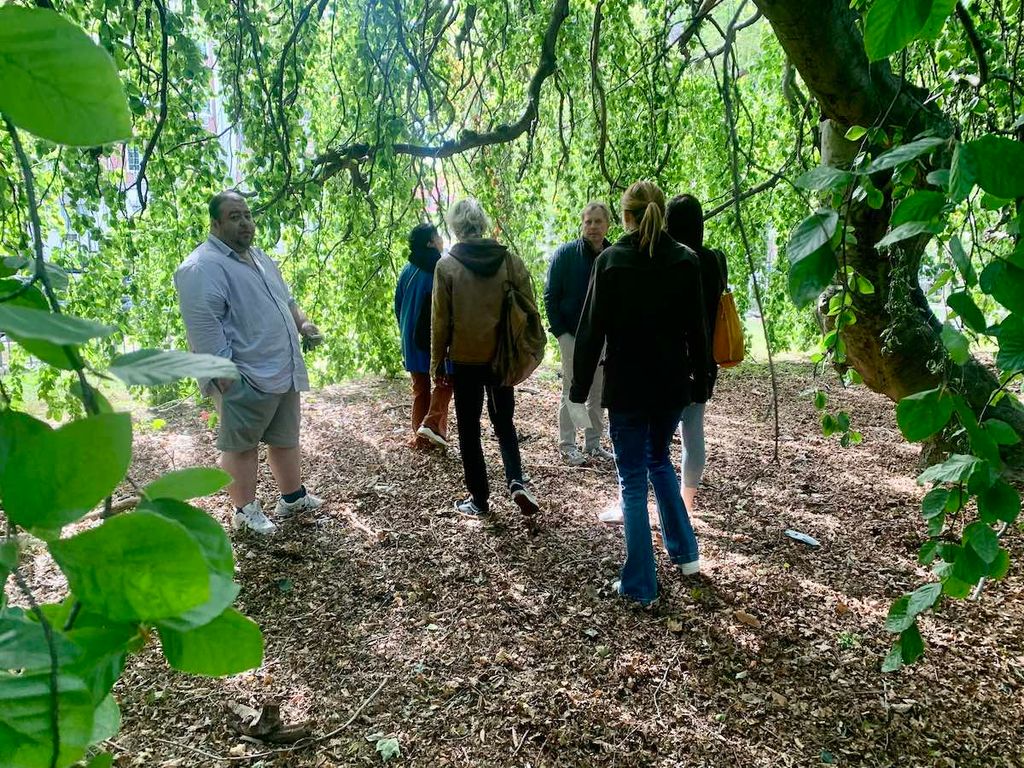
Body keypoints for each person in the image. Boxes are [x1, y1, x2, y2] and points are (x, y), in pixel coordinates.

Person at [571, 180, 709, 604]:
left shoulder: (610, 262)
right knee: (659, 461)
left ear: (625, 217)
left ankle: (640, 584)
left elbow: (591, 331)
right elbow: (698, 332)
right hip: (670, 386)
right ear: (660, 213)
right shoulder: (685, 261)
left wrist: (578, 390)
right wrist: (702, 381)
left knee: (632, 481)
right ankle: (686, 554)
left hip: (628, 387)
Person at [175, 190, 324, 535]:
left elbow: (286, 299)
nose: (245, 223)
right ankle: (244, 511)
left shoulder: (259, 257)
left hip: (282, 368)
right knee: (241, 445)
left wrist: (303, 324)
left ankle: (292, 497)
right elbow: (203, 325)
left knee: (285, 437)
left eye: (247, 215)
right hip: (245, 374)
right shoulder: (202, 266)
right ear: (215, 223)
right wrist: (225, 377)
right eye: (234, 216)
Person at [431, 198, 540, 519]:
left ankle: (479, 499)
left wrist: (437, 362)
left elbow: (440, 321)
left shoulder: (447, 266)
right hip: (501, 357)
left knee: (468, 428)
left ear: (455, 227)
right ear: (483, 223)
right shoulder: (510, 261)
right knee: (504, 422)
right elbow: (528, 308)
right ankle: (516, 480)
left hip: (465, 361)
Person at [666, 194, 728, 516]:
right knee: (693, 432)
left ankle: (655, 504)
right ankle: (686, 506)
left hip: (672, 357)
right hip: (704, 359)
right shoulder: (715, 260)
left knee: (659, 435)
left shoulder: (671, 260)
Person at [544, 202, 614, 466]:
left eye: (598, 221)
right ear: (582, 224)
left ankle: (594, 443)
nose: (593, 227)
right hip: (572, 335)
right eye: (589, 222)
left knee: (597, 391)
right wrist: (561, 333)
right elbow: (550, 296)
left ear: (608, 224)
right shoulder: (565, 255)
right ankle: (568, 444)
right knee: (572, 391)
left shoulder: (613, 254)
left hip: (603, 338)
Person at [394, 222, 453, 450]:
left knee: (420, 388)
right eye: (437, 235)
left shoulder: (407, 270)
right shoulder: (440, 267)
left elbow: (398, 306)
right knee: (444, 380)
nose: (441, 238)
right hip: (432, 338)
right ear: (430, 242)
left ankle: (421, 437)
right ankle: (436, 431)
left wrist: (404, 331)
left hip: (410, 338)